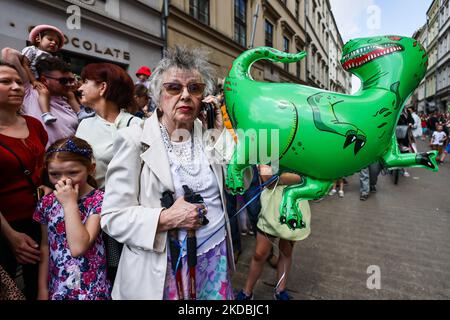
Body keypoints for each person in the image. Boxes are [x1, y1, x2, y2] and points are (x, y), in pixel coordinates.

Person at [100, 46, 235, 300]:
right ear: (157, 95)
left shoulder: (208, 134)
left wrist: (220, 135)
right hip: (161, 270)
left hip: (214, 259)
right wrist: (166, 218)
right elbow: (112, 217)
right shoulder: (133, 139)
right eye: (174, 88)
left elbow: (238, 184)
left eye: (194, 89)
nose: (185, 96)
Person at [75, 63, 143, 283]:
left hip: (127, 214)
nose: (80, 87)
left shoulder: (136, 126)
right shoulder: (83, 126)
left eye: (86, 82)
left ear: (103, 87)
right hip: (91, 214)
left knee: (124, 273)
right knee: (98, 273)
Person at [33, 137, 111, 300]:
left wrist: (69, 204)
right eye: (54, 174)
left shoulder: (99, 200)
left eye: (73, 172)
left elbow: (79, 247)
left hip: (90, 289)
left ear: (91, 169)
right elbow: (46, 246)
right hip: (59, 288)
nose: (63, 180)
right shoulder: (47, 203)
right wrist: (42, 288)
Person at [0, 61, 48, 300]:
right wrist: (10, 236)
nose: (17, 87)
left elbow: (45, 168)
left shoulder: (35, 125)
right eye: (6, 81)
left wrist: (48, 184)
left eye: (19, 81)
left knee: (38, 287)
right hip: (5, 228)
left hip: (40, 222)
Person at [235, 165, 311, 300]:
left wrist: (283, 178)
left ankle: (280, 291)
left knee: (286, 251)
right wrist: (298, 177)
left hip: (294, 204)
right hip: (271, 205)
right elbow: (268, 180)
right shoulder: (267, 143)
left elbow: (310, 175)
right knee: (259, 253)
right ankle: (247, 292)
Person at [2, 49, 79, 148]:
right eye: (63, 81)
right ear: (44, 80)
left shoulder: (70, 99)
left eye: (71, 80)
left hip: (67, 160)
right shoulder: (30, 92)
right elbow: (9, 53)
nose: (69, 84)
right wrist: (33, 60)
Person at [22, 25, 65, 124]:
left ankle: (79, 111)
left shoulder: (53, 57)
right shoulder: (32, 50)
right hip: (34, 80)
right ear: (38, 39)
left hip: (47, 81)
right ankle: (46, 113)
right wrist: (33, 80)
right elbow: (25, 64)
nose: (53, 43)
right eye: (50, 39)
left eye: (57, 43)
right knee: (44, 92)